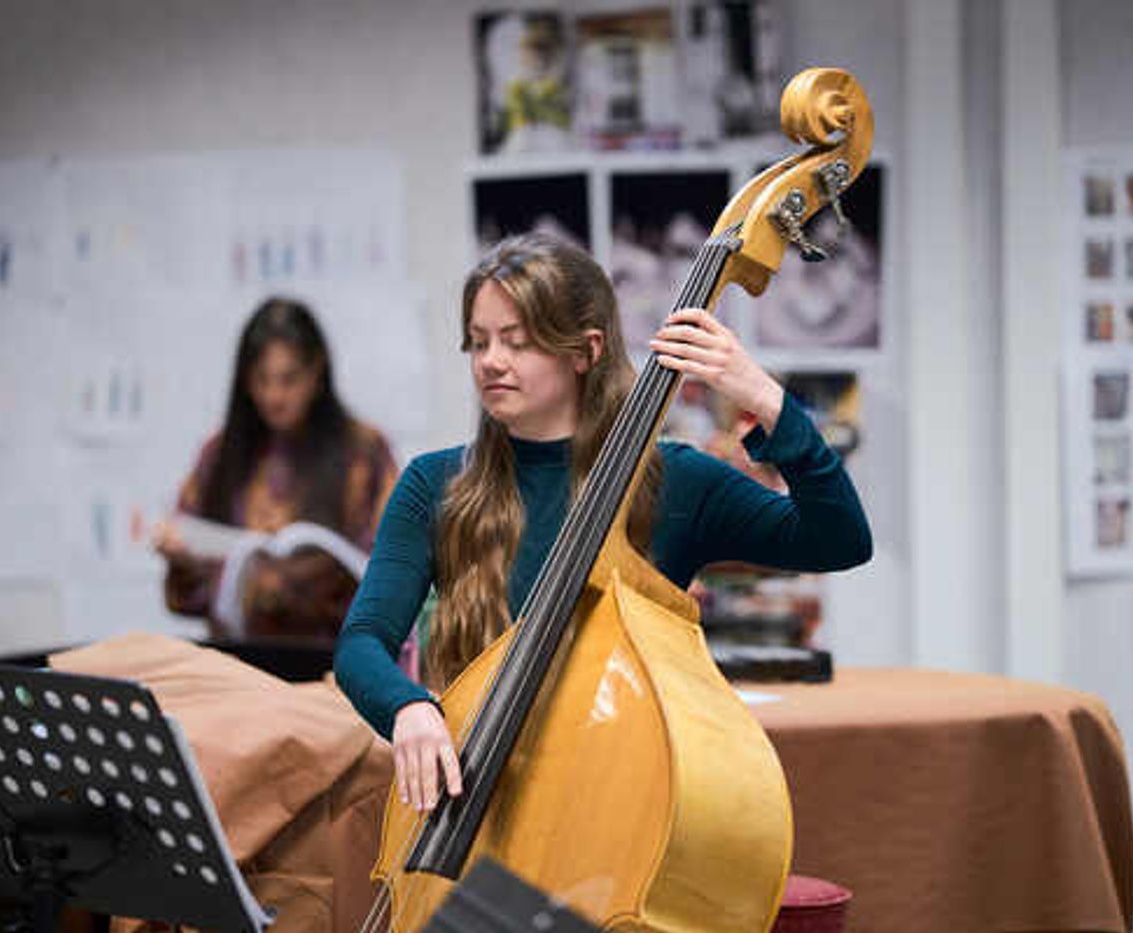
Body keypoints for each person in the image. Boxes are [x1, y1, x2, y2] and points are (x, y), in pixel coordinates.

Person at [334, 233, 872, 813]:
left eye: (517, 343)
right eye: (478, 341)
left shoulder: (673, 480)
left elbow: (838, 539)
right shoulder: (434, 484)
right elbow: (362, 641)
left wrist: (768, 400)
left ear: (585, 351)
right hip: (476, 796)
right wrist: (408, 707)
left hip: (623, 803)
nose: (490, 361)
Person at [154, 297, 399, 641]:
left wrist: (295, 583)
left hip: (335, 662)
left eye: (288, 379)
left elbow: (390, 573)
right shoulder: (221, 454)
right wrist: (182, 556)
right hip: (240, 660)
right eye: (261, 380)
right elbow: (185, 587)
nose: (274, 396)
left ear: (316, 373)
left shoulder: (363, 452)